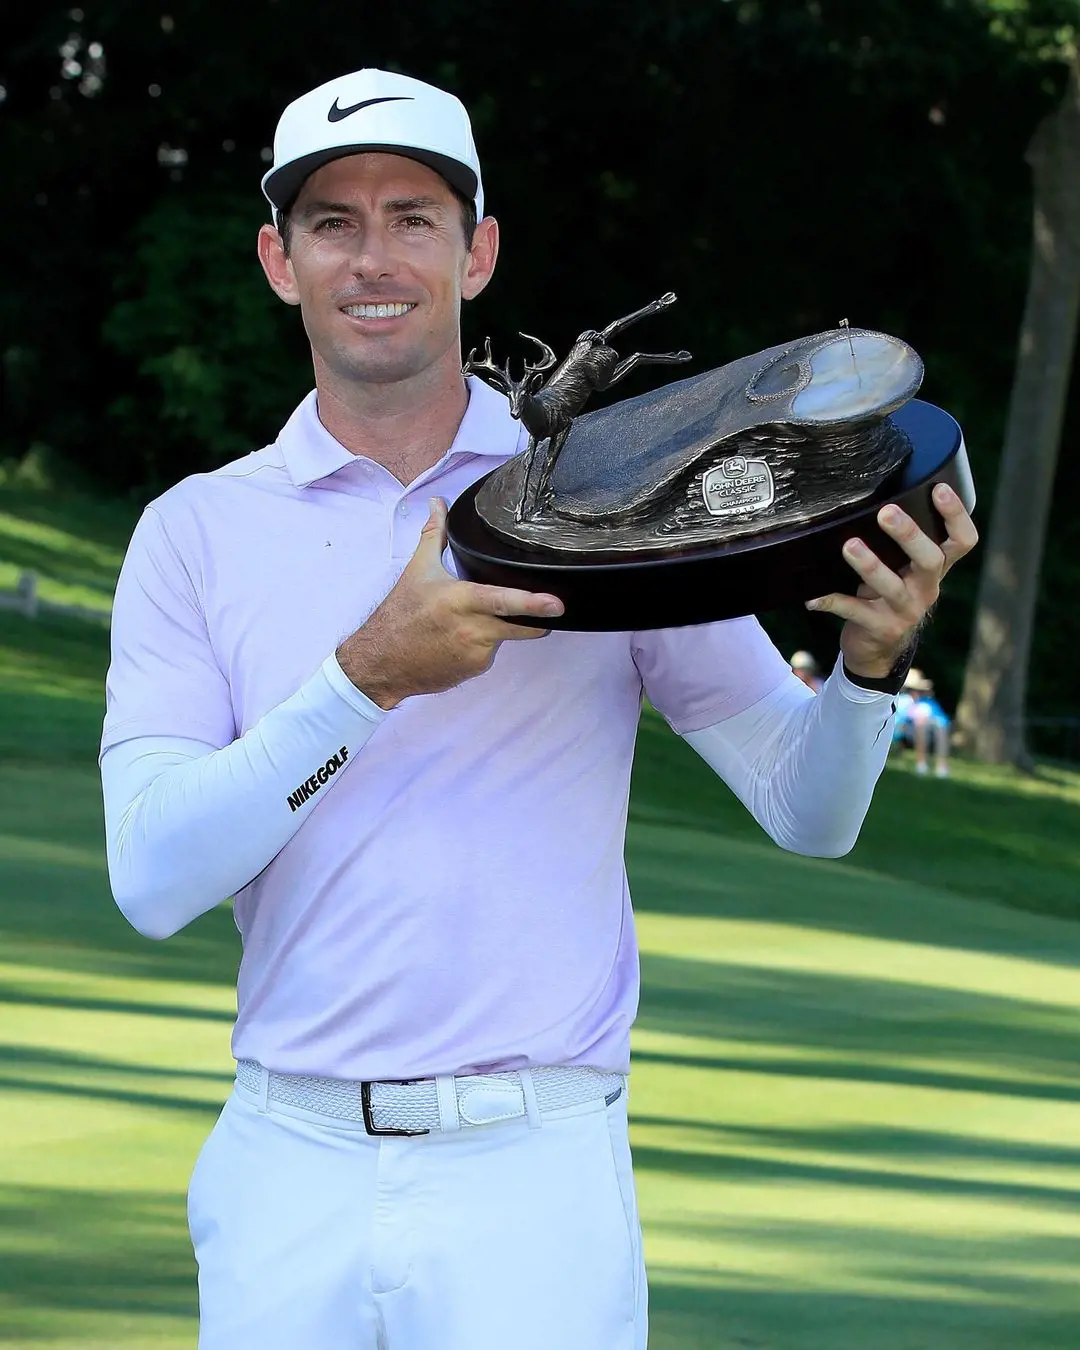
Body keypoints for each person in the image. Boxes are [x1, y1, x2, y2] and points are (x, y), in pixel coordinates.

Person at [98, 68, 978, 1350]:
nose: (374, 256)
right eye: (332, 222)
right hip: (285, 1162)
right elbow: (151, 876)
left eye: (414, 215)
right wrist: (367, 677)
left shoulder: (613, 506)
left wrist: (866, 670)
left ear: (481, 250)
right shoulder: (195, 532)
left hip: (535, 1173)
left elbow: (810, 813)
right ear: (279, 261)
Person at [893, 667, 952, 776]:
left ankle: (941, 766)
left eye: (918, 690)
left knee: (941, 728)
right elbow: (898, 720)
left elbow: (942, 719)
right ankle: (921, 764)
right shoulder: (901, 701)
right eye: (912, 690)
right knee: (921, 725)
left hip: (930, 730)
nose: (915, 693)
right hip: (906, 731)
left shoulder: (929, 703)